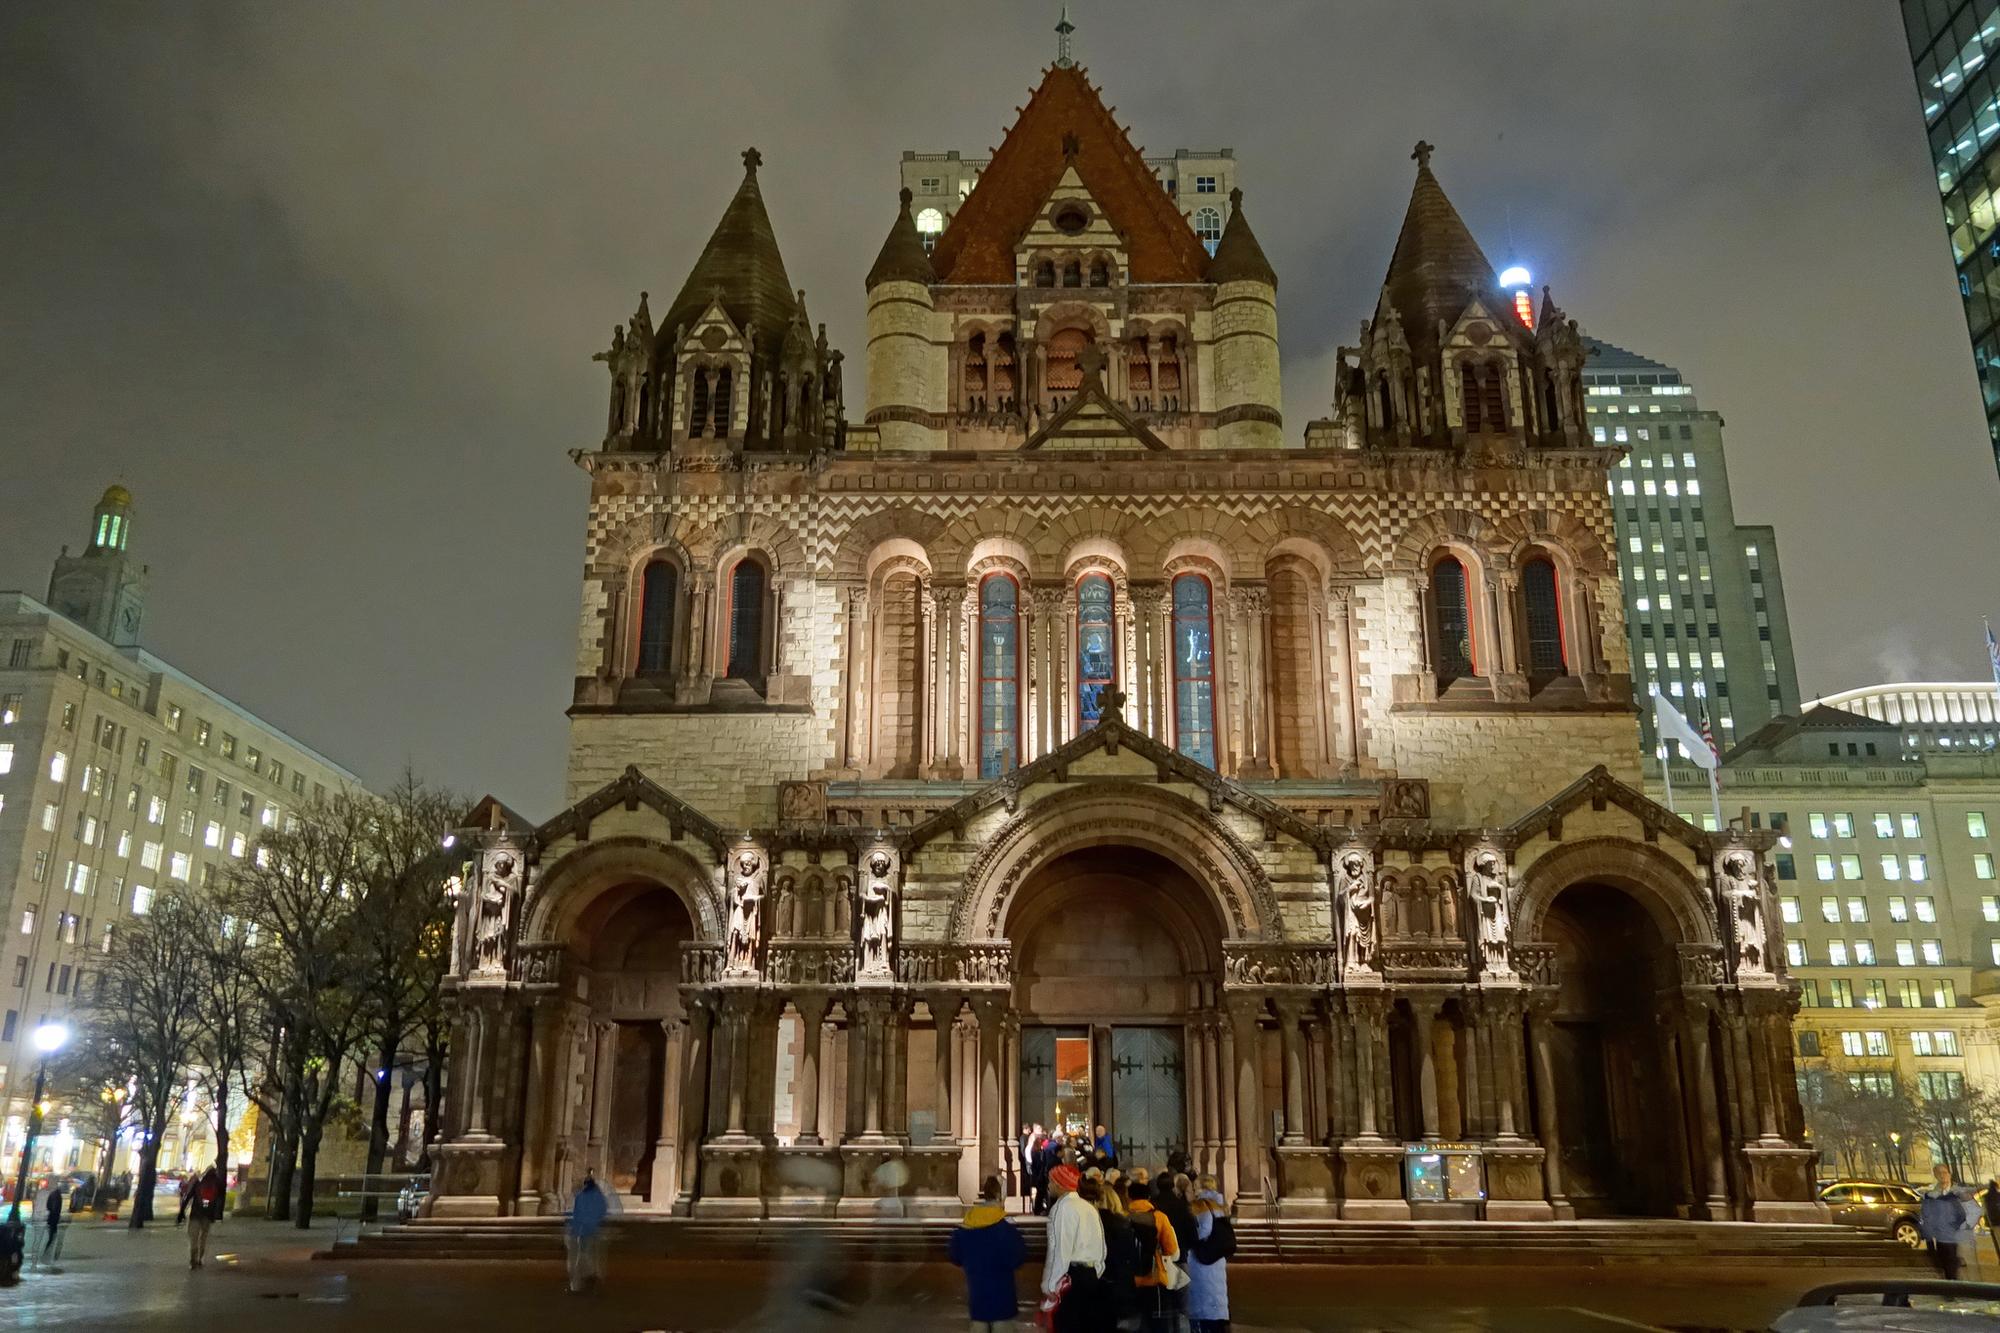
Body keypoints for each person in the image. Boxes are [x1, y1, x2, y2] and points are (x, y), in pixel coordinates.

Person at [950, 1175, 1027, 1333]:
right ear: (999, 1196)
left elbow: (954, 1255)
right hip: (1003, 1300)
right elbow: (1018, 1258)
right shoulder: (1007, 1230)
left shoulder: (965, 1227)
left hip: (977, 1299)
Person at [1041, 1164, 1108, 1333]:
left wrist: (1050, 1285)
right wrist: (1096, 1270)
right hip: (1091, 1276)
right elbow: (1101, 1245)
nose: (1048, 1185)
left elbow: (1060, 1250)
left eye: (1051, 1181)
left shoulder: (1063, 1208)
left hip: (1073, 1278)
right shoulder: (1088, 1207)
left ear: (1059, 1184)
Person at [1129, 1176, 1182, 1333]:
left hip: (1130, 1280)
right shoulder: (1159, 1217)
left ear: (1129, 1196)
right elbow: (1172, 1251)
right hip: (1155, 1278)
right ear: (1149, 1197)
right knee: (1158, 1325)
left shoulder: (1122, 1217)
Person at [1186, 1179, 1233, 1333]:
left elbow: (1204, 1229)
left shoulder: (1201, 1206)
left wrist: (1191, 1237)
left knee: (1203, 1303)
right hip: (1217, 1258)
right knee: (1216, 1300)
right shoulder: (1220, 1206)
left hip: (1202, 1259)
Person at [1920, 1163, 1978, 1280]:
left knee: (1958, 1266)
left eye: (1945, 1172)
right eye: (1939, 1173)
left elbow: (1974, 1211)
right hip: (1942, 1237)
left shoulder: (1959, 1193)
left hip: (1960, 1236)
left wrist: (1965, 1225)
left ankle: (1958, 1289)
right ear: (1935, 1175)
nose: (1942, 1176)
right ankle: (1952, 1289)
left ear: (1950, 1174)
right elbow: (1927, 1216)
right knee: (1947, 1265)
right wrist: (1929, 1239)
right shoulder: (1931, 1195)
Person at [566, 1171, 610, 1292]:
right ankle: (592, 1276)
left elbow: (577, 1213)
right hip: (593, 1228)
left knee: (583, 1253)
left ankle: (583, 1279)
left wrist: (577, 1226)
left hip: (583, 1228)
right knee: (592, 1253)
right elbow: (603, 1210)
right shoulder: (598, 1197)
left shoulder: (581, 1196)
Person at [175, 1165, 226, 1269]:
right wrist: (218, 1215)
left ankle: (192, 1259)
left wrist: (181, 1213)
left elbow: (188, 1197)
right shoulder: (217, 1184)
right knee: (203, 1237)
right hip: (208, 1215)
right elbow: (221, 1200)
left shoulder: (199, 1183)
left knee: (193, 1238)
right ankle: (200, 1259)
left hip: (195, 1214)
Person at [40, 1184, 61, 1260]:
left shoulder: (52, 1194)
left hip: (51, 1217)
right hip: (54, 1218)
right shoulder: (58, 1196)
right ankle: (48, 1252)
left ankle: (48, 1252)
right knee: (53, 1236)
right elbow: (54, 1207)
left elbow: (48, 1206)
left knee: (52, 1235)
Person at [1986, 1180, 2000, 1269]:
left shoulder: (1986, 1197)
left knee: (1998, 1242)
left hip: (1994, 1222)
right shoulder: (1999, 1196)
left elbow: (1985, 1210)